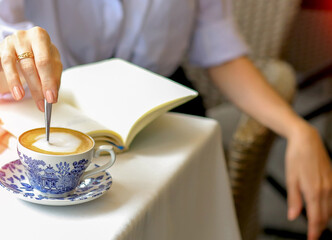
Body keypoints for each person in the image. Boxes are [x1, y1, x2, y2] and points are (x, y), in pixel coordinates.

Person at [0, 1, 331, 239]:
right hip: (58, 106)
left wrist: (298, 129)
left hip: (164, 111)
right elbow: (8, 41)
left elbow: (221, 50)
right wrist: (13, 52)